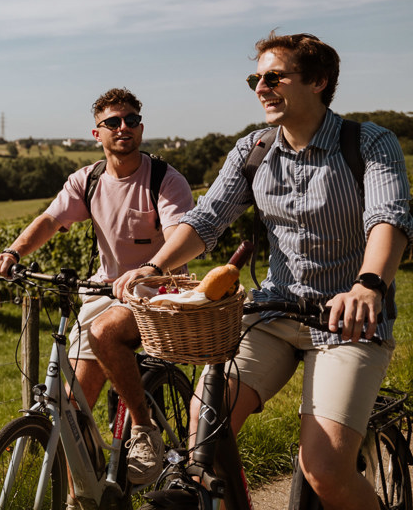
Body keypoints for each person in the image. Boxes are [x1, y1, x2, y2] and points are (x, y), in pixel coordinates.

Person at [117, 33, 413, 510]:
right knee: (204, 436)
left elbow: (389, 218)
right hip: (273, 312)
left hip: (348, 320)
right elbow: (207, 220)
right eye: (255, 78)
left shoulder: (369, 142)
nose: (261, 87)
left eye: (274, 77)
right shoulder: (253, 150)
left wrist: (368, 284)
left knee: (324, 471)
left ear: (318, 82)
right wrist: (153, 266)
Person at [0, 88, 194, 486]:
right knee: (69, 407)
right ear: (96, 134)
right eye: (112, 122)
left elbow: (177, 236)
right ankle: (87, 493)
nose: (123, 128)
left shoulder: (165, 180)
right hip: (105, 293)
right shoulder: (89, 180)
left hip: (158, 291)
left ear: (141, 128)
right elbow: (49, 220)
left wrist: (149, 270)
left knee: (106, 333)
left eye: (131, 120)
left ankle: (144, 431)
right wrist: (13, 252)